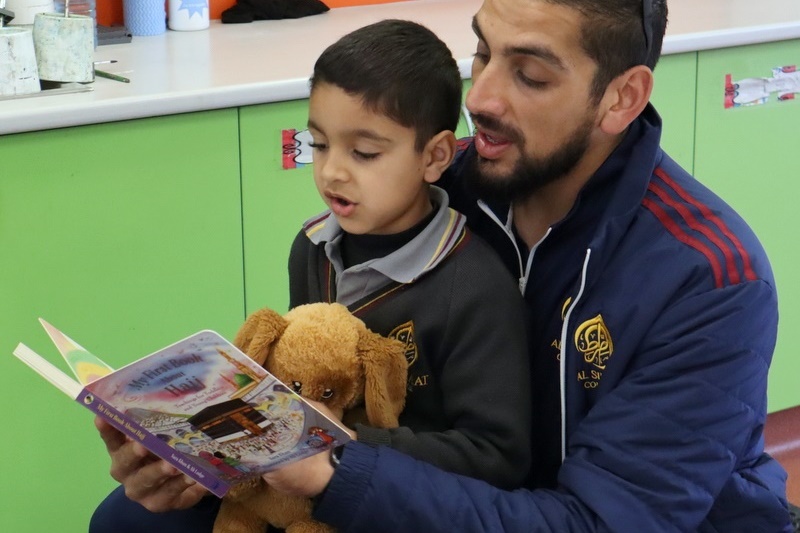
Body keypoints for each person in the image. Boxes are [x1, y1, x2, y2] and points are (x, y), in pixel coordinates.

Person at [259, 0, 794, 531]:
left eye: (530, 75)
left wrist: (343, 467)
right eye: (482, 52)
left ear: (621, 97)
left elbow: (600, 523)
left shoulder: (709, 280)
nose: (482, 96)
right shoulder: (424, 192)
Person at [89, 19, 532, 533]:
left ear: (435, 156)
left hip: (396, 500)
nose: (332, 172)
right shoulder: (312, 247)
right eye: (319, 144)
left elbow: (498, 457)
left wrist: (340, 442)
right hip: (291, 482)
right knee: (121, 518)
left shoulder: (474, 286)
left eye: (364, 153)